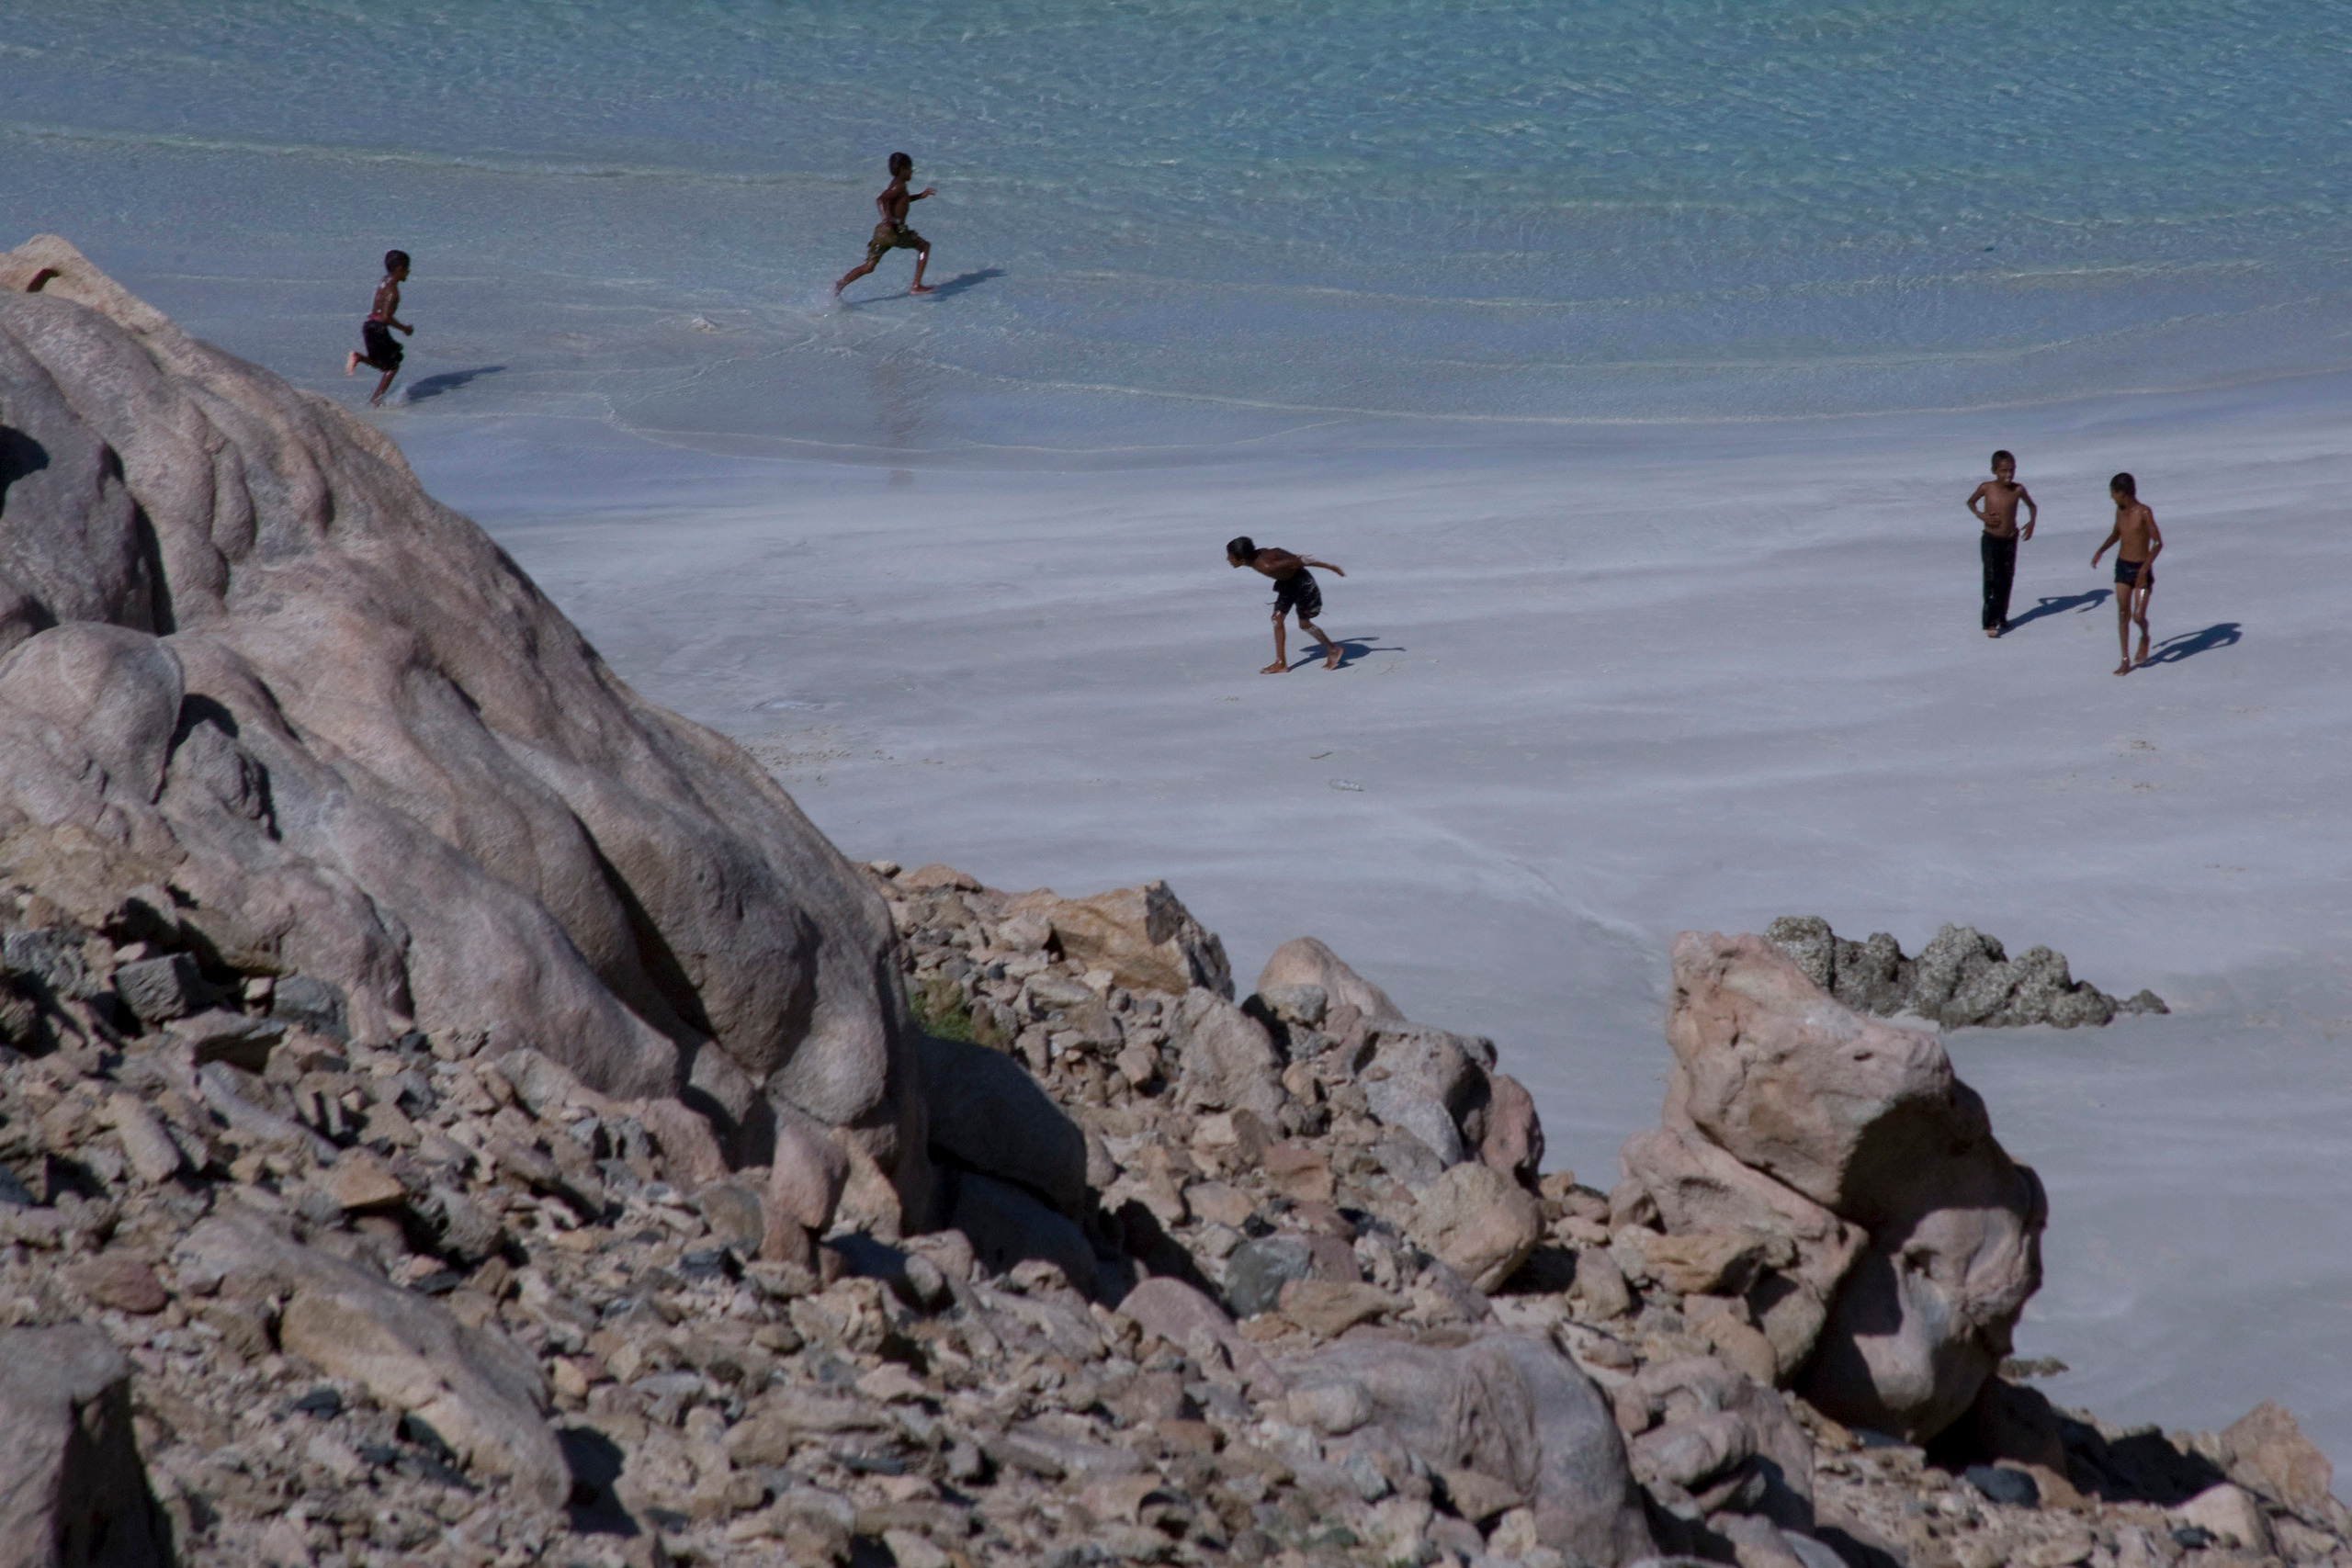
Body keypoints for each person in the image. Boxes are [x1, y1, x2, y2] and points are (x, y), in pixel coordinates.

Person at [1227, 536, 1345, 672]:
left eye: (1230, 557)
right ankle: (1281, 663)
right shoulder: (1256, 555)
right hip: (1286, 583)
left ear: (1242, 560)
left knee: (1304, 624)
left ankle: (1333, 648)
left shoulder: (1267, 566)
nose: (1228, 559)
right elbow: (1279, 552)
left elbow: (1300, 560)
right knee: (1277, 619)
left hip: (1303, 584)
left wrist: (1331, 567)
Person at [2090, 471, 2163, 675]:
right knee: (2123, 614)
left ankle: (2145, 636)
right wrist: (2101, 550)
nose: (2111, 497)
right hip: (2122, 566)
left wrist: (2145, 568)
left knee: (2138, 617)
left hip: (2141, 568)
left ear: (2123, 493)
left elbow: (2158, 542)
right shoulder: (2119, 511)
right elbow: (2116, 534)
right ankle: (2125, 659)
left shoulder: (2144, 512)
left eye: (2113, 493)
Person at [834, 152, 935, 297]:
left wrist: (920, 196)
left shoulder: (896, 185)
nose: (912, 171)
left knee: (869, 266)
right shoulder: (899, 186)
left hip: (882, 233)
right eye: (910, 168)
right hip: (894, 231)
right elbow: (881, 199)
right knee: (924, 246)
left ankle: (841, 284)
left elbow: (902, 200)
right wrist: (887, 218)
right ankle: (916, 285)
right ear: (902, 169)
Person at [1964, 448, 2037, 637]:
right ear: (1994, 471)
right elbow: (1970, 502)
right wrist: (1981, 515)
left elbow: (2032, 506)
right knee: (1991, 579)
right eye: (2003, 471)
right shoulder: (1986, 487)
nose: (2008, 474)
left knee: (2006, 579)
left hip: (2010, 540)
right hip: (1991, 539)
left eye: (2012, 470)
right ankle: (1990, 622)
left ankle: (2002, 616)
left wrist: (2031, 522)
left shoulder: (2018, 489)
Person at [344, 250, 413, 407]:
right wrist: (404, 328)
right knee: (392, 367)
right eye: (407, 269)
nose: (409, 272)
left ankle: (358, 357)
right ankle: (376, 400)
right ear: (400, 269)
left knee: (384, 363)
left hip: (368, 326)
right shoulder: (393, 292)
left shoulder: (384, 282)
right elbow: (386, 317)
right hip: (378, 330)